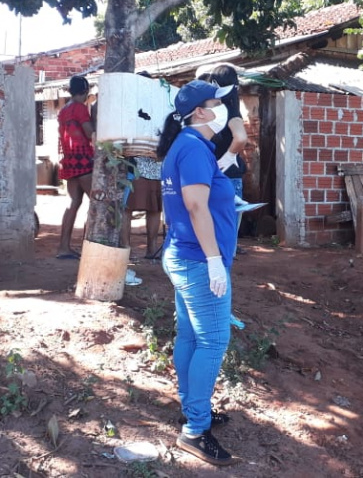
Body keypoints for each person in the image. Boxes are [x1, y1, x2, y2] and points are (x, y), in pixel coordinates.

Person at [156, 79, 238, 466]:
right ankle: (194, 431)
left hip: (184, 254)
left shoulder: (190, 147)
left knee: (189, 334)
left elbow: (196, 200)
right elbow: (194, 205)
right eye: (217, 103)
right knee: (213, 340)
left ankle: (194, 411)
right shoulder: (192, 148)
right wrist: (213, 259)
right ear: (201, 112)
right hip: (197, 260)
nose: (225, 108)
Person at [121, 72, 164, 260]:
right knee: (152, 209)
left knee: (128, 209)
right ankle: (150, 249)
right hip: (145, 163)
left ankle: (126, 250)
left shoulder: (127, 106)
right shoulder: (159, 106)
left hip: (138, 163)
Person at [196, 64, 248, 199]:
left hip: (221, 178)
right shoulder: (225, 110)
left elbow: (241, 137)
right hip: (222, 178)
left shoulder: (228, 111)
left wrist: (228, 157)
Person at [56, 75, 94, 259]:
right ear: (86, 91)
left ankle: (63, 247)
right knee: (97, 204)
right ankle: (91, 247)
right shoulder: (80, 108)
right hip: (84, 160)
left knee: (72, 203)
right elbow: (89, 133)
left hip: (69, 160)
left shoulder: (64, 110)